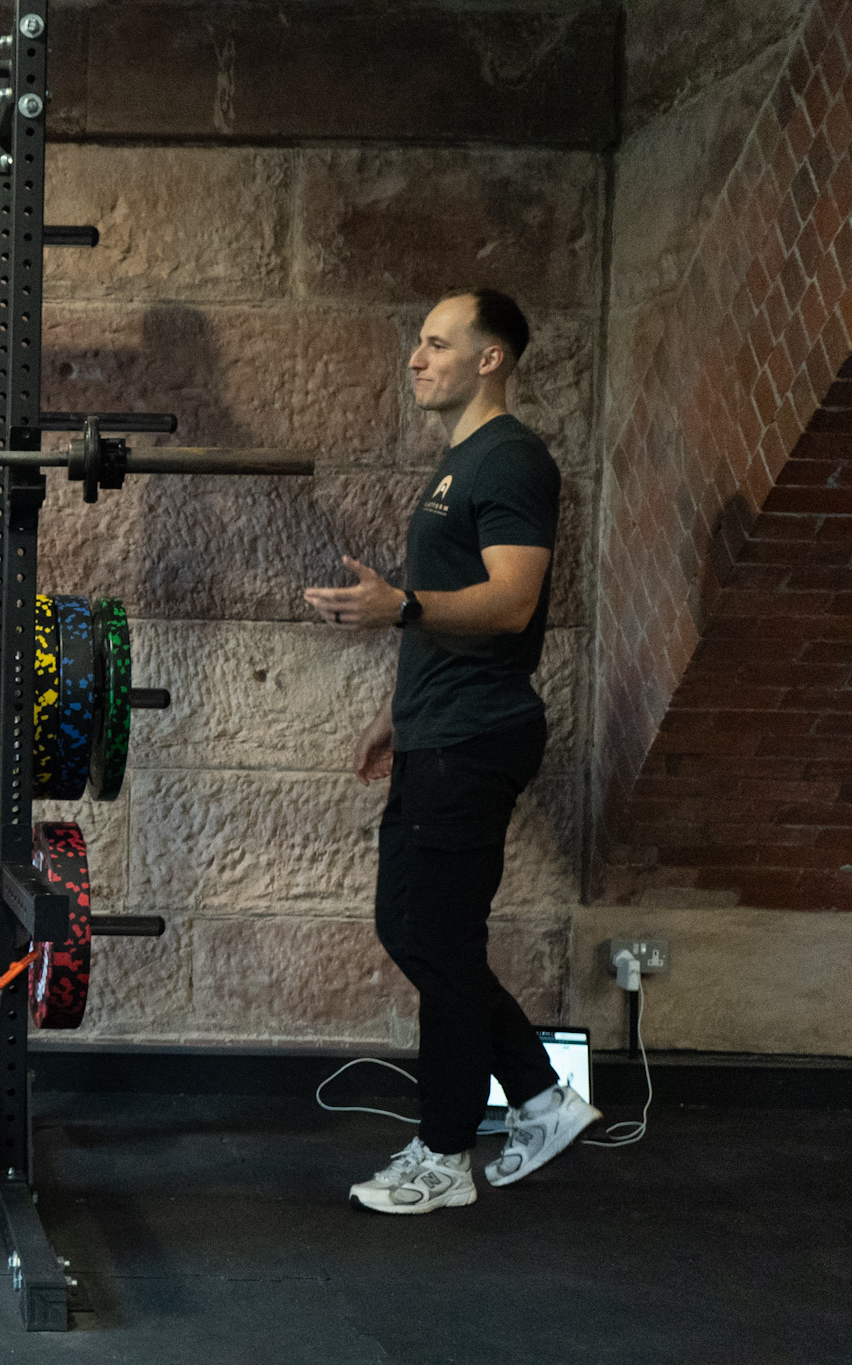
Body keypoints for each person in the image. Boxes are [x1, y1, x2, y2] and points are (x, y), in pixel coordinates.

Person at [302, 287, 600, 1215]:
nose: (416, 358)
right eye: (418, 343)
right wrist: (399, 709)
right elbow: (440, 610)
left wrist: (404, 607)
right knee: (418, 930)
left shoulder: (511, 458)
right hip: (439, 726)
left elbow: (512, 599)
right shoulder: (458, 464)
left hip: (477, 733)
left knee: (435, 935)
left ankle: (445, 1154)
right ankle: (544, 1099)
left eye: (436, 343)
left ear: (491, 358)